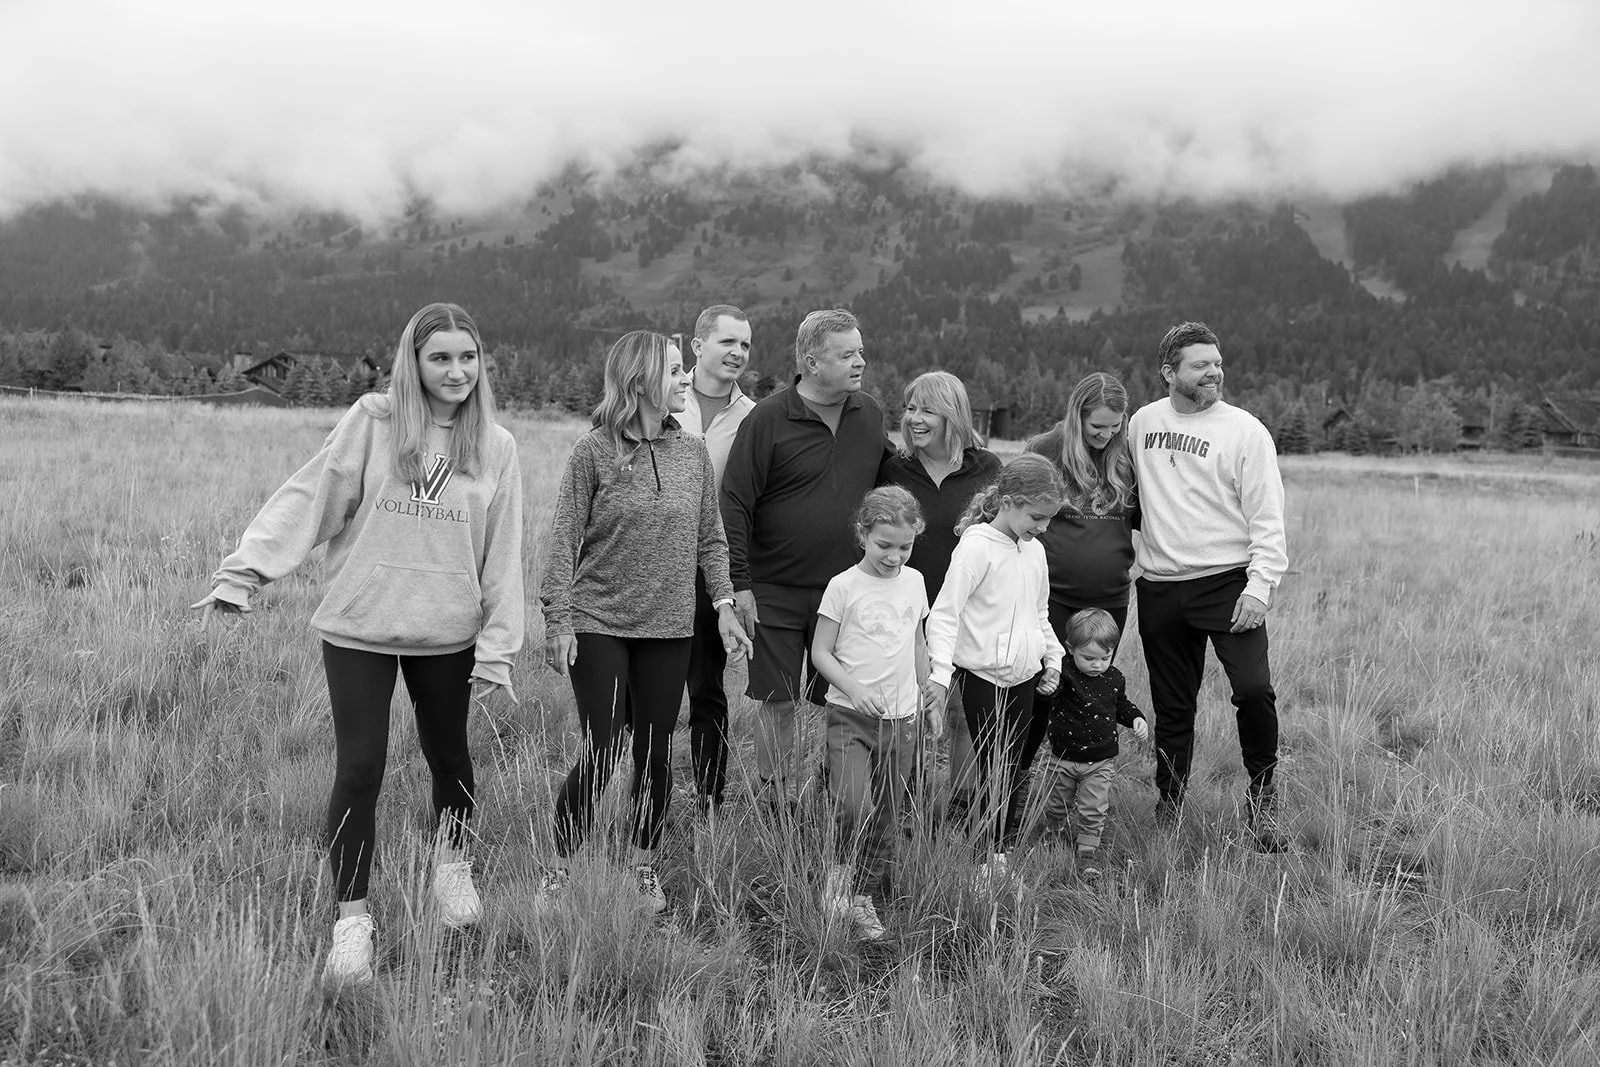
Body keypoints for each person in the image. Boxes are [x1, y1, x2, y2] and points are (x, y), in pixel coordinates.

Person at [192, 302, 523, 986]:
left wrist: (497, 644)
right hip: (359, 626)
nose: (456, 370)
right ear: (413, 361)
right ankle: (353, 921)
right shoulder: (373, 421)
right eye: (440, 357)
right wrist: (245, 569)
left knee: (450, 756)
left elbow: (504, 552)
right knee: (360, 767)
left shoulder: (498, 445)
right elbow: (313, 494)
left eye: (468, 356)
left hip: (447, 632)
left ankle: (452, 867)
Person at [539, 330, 752, 914]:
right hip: (599, 619)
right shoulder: (593, 452)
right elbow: (564, 542)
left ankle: (643, 867)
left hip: (670, 626)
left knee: (656, 752)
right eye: (677, 370)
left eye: (685, 369)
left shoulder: (691, 455)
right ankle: (559, 870)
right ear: (640, 382)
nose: (688, 380)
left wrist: (725, 605)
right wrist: (557, 619)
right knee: (604, 748)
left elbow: (711, 538)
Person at [720, 308, 894, 811]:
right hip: (774, 587)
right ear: (812, 361)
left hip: (846, 589)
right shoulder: (768, 419)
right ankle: (774, 799)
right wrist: (740, 583)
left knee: (836, 700)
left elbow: (890, 478)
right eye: (847, 354)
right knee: (777, 700)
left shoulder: (870, 415)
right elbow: (735, 501)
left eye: (860, 351)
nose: (860, 361)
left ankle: (826, 788)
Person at [1128, 321, 1289, 851]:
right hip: (1160, 586)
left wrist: (1259, 587)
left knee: (1254, 690)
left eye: (1217, 363)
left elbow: (1267, 518)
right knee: (1174, 707)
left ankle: (1262, 804)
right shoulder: (1142, 422)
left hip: (1227, 585)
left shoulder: (1245, 431)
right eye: (1201, 365)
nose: (1214, 372)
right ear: (1169, 372)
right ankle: (1169, 806)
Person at [925, 454, 1066, 890]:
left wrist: (1053, 658)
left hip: (1025, 678)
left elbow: (1040, 613)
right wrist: (938, 675)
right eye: (1036, 517)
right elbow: (945, 615)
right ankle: (981, 864)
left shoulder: (1036, 551)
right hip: (983, 677)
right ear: (1008, 501)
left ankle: (998, 855)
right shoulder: (976, 547)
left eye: (1048, 519)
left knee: (1013, 768)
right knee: (992, 767)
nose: (1043, 527)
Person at [810, 486, 935, 942]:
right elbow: (821, 652)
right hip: (850, 717)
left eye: (905, 546)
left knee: (886, 812)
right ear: (863, 534)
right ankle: (837, 883)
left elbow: (917, 641)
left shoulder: (916, 581)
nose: (895, 556)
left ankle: (862, 897)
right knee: (851, 802)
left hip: (902, 720)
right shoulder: (843, 586)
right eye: (885, 545)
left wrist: (928, 691)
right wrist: (854, 688)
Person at [877, 371, 1001, 823]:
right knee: (908, 709)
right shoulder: (893, 468)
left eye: (927, 409)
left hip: (968, 610)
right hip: (905, 610)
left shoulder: (987, 468)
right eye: (910, 408)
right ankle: (906, 802)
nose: (914, 419)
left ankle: (963, 803)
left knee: (963, 713)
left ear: (953, 415)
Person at [675, 304, 757, 816]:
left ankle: (709, 799)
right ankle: (646, 792)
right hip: (652, 568)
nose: (739, 353)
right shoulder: (659, 396)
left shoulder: (754, 417)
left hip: (714, 573)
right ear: (697, 346)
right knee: (645, 697)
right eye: (728, 342)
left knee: (707, 689)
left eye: (746, 345)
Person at [1036, 609, 1149, 885]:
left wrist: (1136, 717)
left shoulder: (1114, 678)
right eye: (1089, 658)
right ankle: (1054, 830)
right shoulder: (1063, 674)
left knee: (1093, 807)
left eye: (1104, 657)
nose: (1097, 665)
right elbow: (1047, 699)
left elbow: (1120, 704)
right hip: (1062, 756)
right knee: (1057, 801)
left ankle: (1088, 851)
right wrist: (1045, 690)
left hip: (1100, 761)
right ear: (1069, 648)